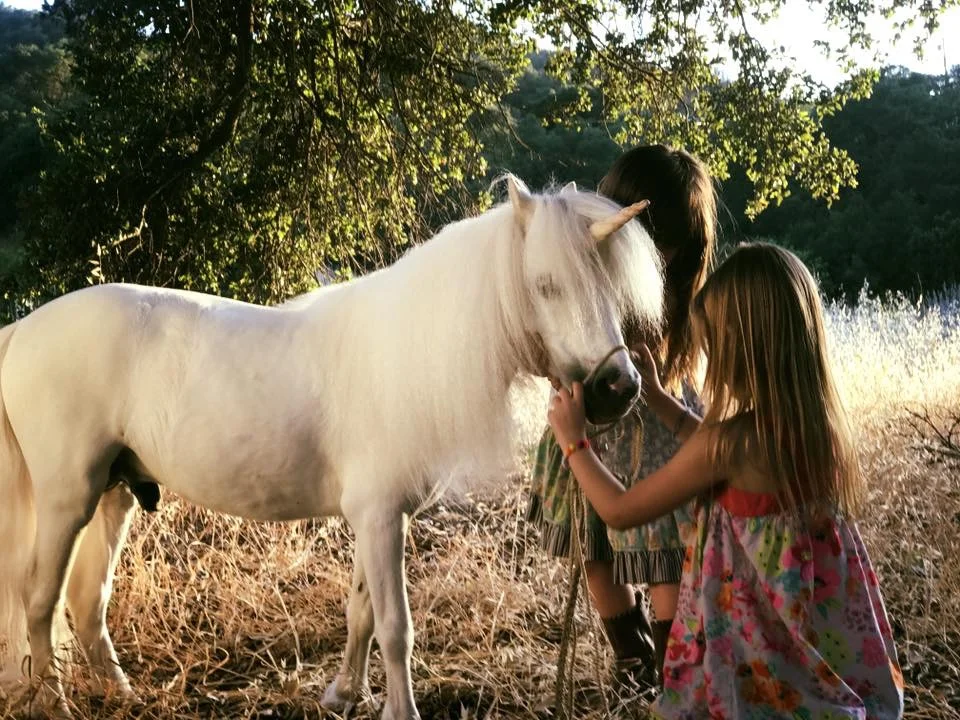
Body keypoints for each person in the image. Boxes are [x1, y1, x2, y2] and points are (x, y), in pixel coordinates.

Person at [548, 243, 904, 718]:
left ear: (742, 348)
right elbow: (713, 448)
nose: (711, 361)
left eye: (714, 346)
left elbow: (620, 510)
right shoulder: (814, 429)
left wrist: (574, 443)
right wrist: (657, 398)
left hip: (752, 640)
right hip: (808, 630)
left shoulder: (729, 445)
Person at [526, 144, 716, 687]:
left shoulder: (685, 292)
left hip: (658, 435)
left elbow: (685, 363)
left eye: (669, 243)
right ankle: (632, 658)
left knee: (662, 557)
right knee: (596, 551)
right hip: (590, 428)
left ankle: (671, 666)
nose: (658, 254)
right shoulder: (587, 266)